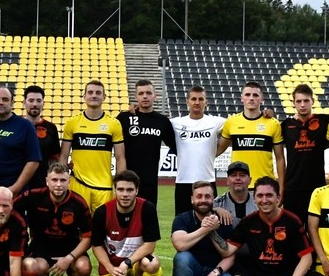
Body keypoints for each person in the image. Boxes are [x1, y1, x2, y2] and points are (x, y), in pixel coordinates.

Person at [0, 161, 92, 276]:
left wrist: (69, 258)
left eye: (63, 180)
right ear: (47, 181)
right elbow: (7, 205)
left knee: (83, 267)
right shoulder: (34, 196)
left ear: (69, 181)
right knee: (35, 268)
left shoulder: (78, 203)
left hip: (69, 249)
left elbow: (88, 237)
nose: (58, 184)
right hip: (41, 248)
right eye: (54, 180)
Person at [226, 178, 329, 276]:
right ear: (254, 199)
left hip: (288, 275)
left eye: (269, 195)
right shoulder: (248, 222)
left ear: (278, 198)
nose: (264, 200)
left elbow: (306, 258)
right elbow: (227, 251)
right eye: (260, 196)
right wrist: (209, 230)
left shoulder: (292, 221)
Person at [90, 170, 163, 276]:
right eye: (121, 189)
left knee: (152, 264)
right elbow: (96, 246)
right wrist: (111, 268)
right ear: (114, 190)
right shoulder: (102, 212)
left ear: (137, 190)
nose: (125, 194)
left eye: (130, 190)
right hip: (113, 265)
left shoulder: (147, 209)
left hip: (136, 261)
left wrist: (127, 263)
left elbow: (150, 245)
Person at [170, 180, 235, 276]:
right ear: (192, 199)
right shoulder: (182, 219)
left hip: (215, 271)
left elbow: (229, 254)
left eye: (207, 196)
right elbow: (180, 245)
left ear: (213, 199)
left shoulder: (224, 220)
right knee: (182, 258)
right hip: (192, 271)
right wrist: (205, 229)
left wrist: (215, 273)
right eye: (199, 196)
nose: (203, 200)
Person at [59, 80, 126, 213]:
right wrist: (62, 180)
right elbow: (63, 156)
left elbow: (120, 158)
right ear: (84, 97)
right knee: (76, 227)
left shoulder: (114, 124)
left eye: (98, 93)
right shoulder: (72, 123)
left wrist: (121, 184)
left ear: (104, 97)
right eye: (90, 92)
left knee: (101, 228)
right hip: (78, 184)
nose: (94, 95)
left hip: (104, 187)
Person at [0, 87, 42, 204]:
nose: (0, 102)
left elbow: (34, 161)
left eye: (5, 99)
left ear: (12, 102)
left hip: (11, 187)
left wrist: (15, 189)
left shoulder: (25, 126)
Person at [216, 81, 285, 193]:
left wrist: (281, 187)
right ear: (242, 98)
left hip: (265, 187)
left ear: (261, 99)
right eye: (247, 95)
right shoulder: (231, 122)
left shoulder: (273, 124)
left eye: (255, 95)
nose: (251, 98)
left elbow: (280, 158)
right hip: (238, 186)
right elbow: (218, 150)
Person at [117, 79, 176, 207]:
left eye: (149, 93)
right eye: (141, 93)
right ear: (135, 97)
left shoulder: (162, 121)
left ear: (155, 96)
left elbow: (177, 148)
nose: (145, 96)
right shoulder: (124, 118)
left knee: (148, 217)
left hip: (150, 181)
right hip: (127, 180)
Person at [170, 85, 225, 215]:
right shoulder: (176, 123)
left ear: (206, 102)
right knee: (182, 222)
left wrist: (217, 152)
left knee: (209, 223)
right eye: (193, 99)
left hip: (207, 180)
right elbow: (155, 121)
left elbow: (238, 124)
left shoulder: (215, 122)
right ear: (187, 101)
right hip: (183, 181)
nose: (197, 102)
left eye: (201, 99)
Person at [280, 84, 329, 218]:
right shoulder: (286, 125)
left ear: (312, 101)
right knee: (294, 231)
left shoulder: (325, 121)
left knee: (317, 230)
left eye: (306, 101)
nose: (302, 104)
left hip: (317, 187)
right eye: (299, 101)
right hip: (292, 188)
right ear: (293, 103)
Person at [23, 85, 61, 191]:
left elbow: (53, 160)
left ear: (43, 103)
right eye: (31, 100)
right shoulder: (15, 125)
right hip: (16, 183)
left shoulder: (51, 128)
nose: (35, 104)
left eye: (38, 100)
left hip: (41, 185)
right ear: (24, 102)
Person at [213, 161, 257, 226]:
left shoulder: (258, 201)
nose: (238, 178)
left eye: (242, 175)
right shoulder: (218, 203)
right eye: (233, 175)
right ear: (227, 180)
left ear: (250, 180)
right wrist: (215, 209)